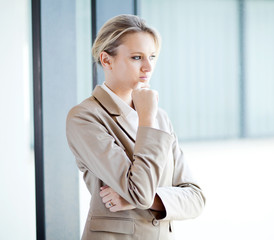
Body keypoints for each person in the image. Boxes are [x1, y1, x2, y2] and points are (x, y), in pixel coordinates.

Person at [66, 14, 205, 240]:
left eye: (152, 56)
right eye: (137, 57)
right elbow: (139, 192)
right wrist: (147, 120)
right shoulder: (85, 117)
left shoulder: (161, 117)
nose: (148, 67)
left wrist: (142, 198)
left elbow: (196, 198)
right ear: (106, 60)